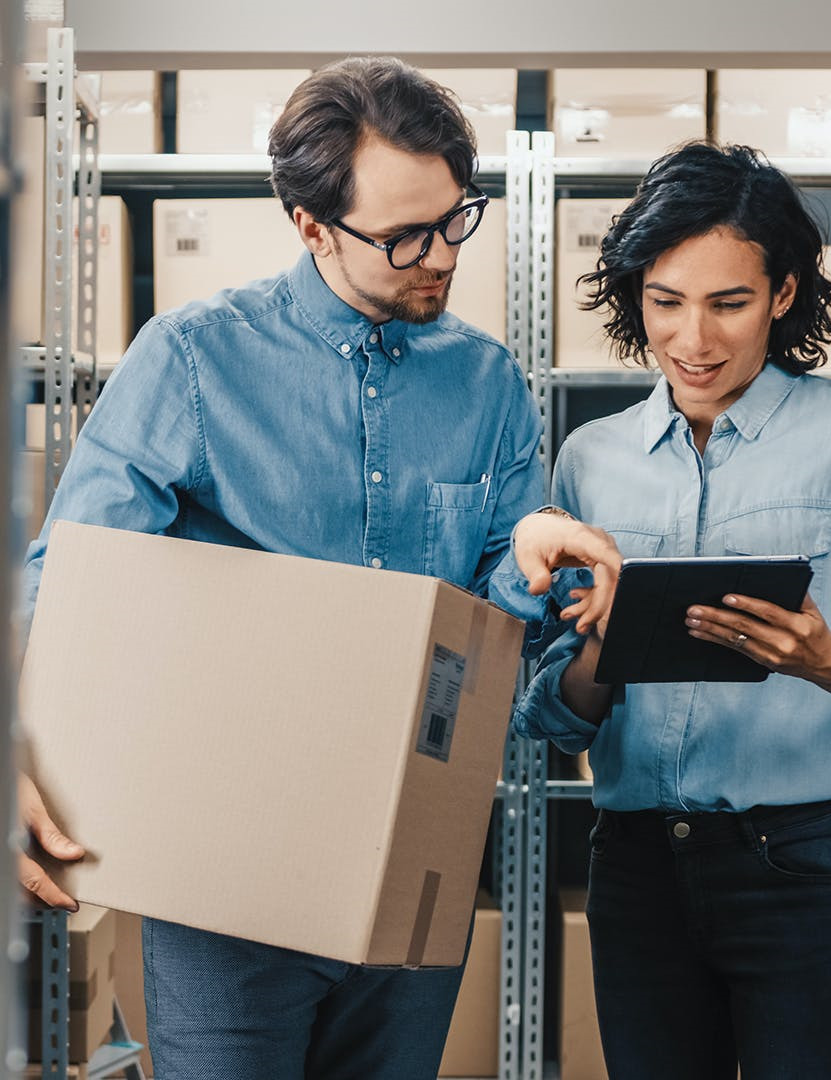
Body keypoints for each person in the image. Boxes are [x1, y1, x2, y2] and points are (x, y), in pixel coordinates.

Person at [16, 56, 617, 1080]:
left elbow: (495, 647)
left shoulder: (488, 385)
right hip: (223, 877)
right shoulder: (194, 360)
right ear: (311, 226)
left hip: (412, 866)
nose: (442, 256)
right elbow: (70, 583)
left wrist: (524, 568)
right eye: (405, 237)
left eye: (455, 219)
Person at [498, 142, 831, 1080]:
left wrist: (826, 661)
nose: (693, 339)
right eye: (665, 302)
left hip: (807, 863)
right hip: (637, 868)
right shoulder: (590, 458)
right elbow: (554, 716)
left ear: (783, 294)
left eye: (729, 303)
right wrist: (600, 649)